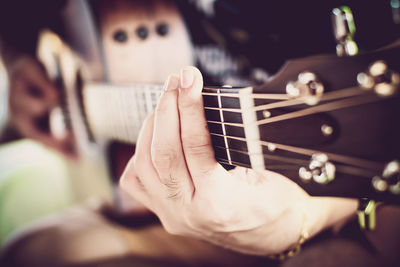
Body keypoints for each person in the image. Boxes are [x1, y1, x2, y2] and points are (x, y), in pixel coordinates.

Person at [0, 0, 399, 266]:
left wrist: (302, 218)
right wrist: (16, 59)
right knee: (32, 251)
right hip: (150, 198)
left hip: (304, 195)